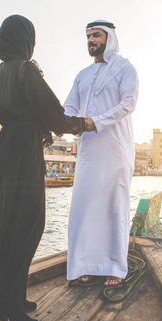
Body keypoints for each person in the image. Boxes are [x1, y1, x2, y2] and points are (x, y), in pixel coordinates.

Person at [0, 15, 84, 321]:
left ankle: (14, 295)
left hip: (6, 153)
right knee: (29, 225)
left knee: (11, 227)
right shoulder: (26, 69)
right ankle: (10, 306)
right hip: (23, 154)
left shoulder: (0, 72)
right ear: (24, 40)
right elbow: (53, 113)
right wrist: (82, 124)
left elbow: (4, 117)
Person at [64, 20, 138, 287]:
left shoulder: (125, 68)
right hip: (88, 151)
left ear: (109, 38)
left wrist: (96, 122)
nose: (91, 40)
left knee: (113, 206)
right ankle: (82, 264)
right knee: (84, 207)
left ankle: (115, 267)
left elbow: (128, 104)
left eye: (96, 35)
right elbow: (69, 109)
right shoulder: (82, 75)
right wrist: (55, 126)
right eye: (88, 36)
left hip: (116, 148)